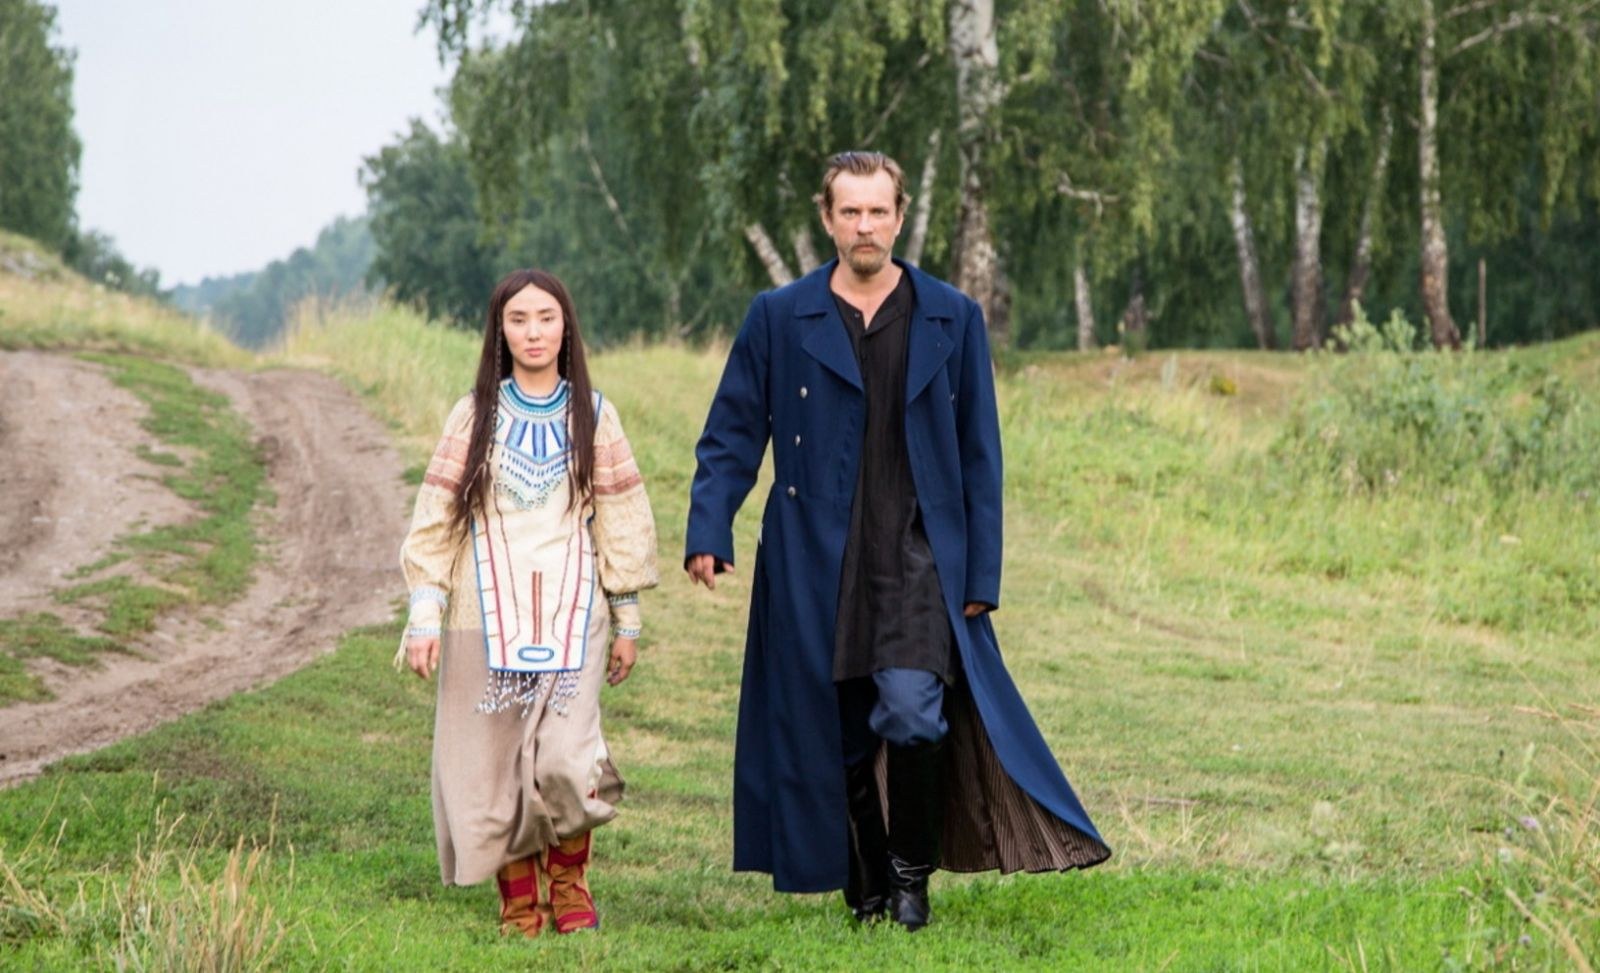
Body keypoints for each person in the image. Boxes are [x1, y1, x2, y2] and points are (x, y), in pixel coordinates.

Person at [686, 151, 1110, 931]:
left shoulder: (952, 315)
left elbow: (980, 453)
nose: (865, 226)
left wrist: (982, 571)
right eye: (850, 211)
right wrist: (709, 527)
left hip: (920, 555)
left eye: (877, 211)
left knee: (914, 713)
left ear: (900, 216)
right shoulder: (779, 315)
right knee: (840, 733)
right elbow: (732, 432)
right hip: (815, 556)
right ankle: (867, 884)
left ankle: (910, 876)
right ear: (827, 219)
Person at [397, 268, 658, 937]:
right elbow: (436, 518)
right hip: (482, 617)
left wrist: (627, 618)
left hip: (574, 614)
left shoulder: (594, 415)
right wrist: (425, 615)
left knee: (565, 760)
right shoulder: (473, 415)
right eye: (518, 319)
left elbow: (621, 519)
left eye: (546, 318)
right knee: (491, 765)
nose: (533, 332)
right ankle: (520, 902)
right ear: (500, 330)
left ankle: (569, 880)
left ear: (566, 327)